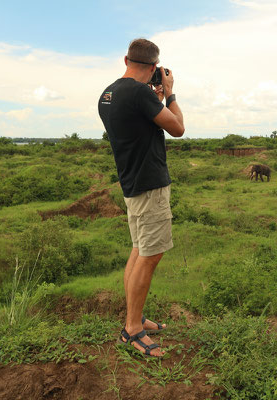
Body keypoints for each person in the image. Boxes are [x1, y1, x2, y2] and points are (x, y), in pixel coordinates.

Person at [98, 38, 184, 357]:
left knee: (138, 250)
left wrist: (154, 98)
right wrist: (170, 94)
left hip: (131, 183)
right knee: (151, 254)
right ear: (153, 68)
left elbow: (138, 124)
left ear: (125, 60)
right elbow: (177, 128)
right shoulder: (138, 93)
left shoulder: (108, 94)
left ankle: (136, 316)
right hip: (149, 185)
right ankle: (132, 329)